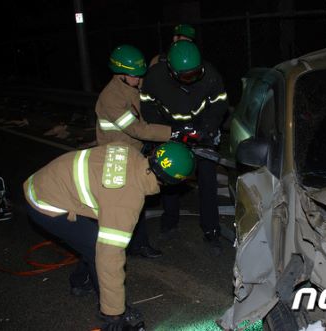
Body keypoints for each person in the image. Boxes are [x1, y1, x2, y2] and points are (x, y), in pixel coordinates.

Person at [23, 141, 195, 331]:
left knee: (92, 242)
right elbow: (109, 258)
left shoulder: (130, 151)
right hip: (46, 202)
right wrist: (115, 312)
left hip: (46, 181)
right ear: (171, 182)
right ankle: (109, 313)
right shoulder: (126, 201)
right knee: (98, 249)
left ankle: (80, 282)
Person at [140, 40, 228, 256]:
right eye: (186, 76)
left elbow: (220, 104)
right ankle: (170, 222)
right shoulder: (155, 77)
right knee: (170, 179)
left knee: (207, 180)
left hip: (201, 132)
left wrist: (207, 128)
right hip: (171, 133)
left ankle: (211, 230)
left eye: (196, 73)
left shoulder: (210, 75)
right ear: (171, 71)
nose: (193, 79)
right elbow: (147, 105)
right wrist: (164, 132)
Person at [95, 44, 176, 258]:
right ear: (120, 74)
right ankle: (95, 263)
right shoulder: (111, 98)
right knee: (119, 207)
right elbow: (137, 129)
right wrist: (171, 132)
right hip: (115, 157)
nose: (139, 79)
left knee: (135, 203)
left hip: (132, 152)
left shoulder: (133, 87)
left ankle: (137, 245)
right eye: (135, 76)